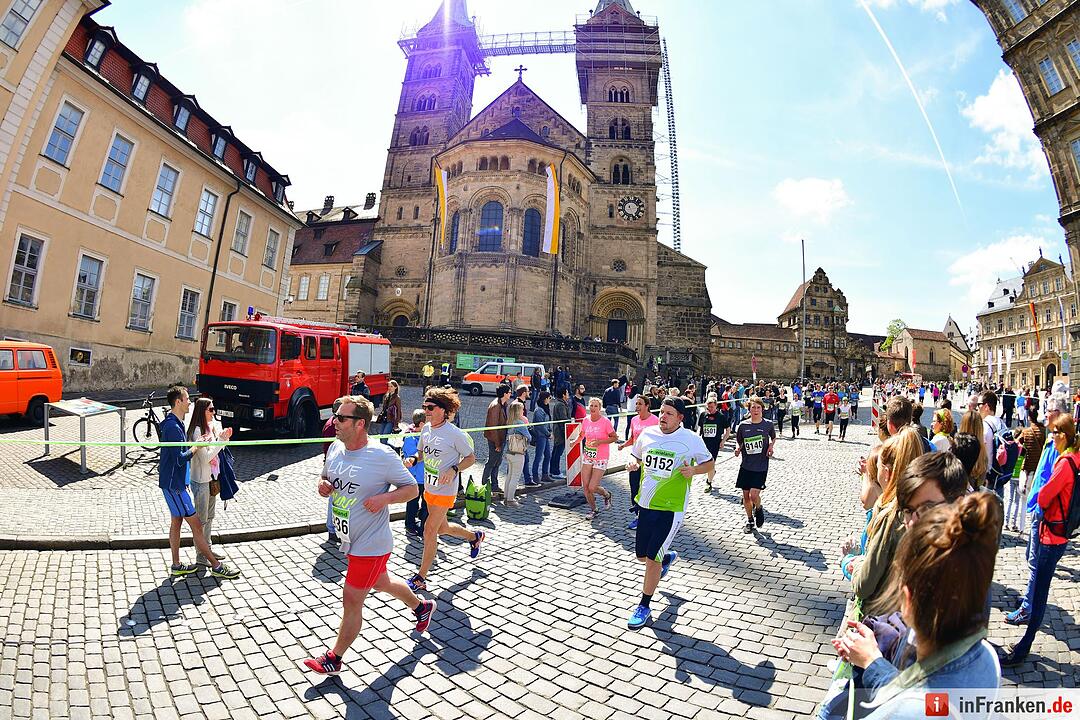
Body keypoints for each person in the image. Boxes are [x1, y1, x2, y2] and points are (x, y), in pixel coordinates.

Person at [830, 493, 1002, 717]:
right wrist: (876, 658)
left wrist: (872, 664)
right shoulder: (987, 658)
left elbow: (916, 702)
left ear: (907, 599)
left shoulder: (901, 712)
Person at [305, 395, 435, 675]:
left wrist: (384, 499)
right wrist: (323, 485)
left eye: (341, 418)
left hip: (372, 542)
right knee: (382, 582)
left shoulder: (381, 455)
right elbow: (324, 476)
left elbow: (412, 489)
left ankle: (334, 658)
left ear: (360, 424)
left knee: (351, 598)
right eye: (334, 415)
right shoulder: (336, 449)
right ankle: (421, 606)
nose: (334, 422)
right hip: (349, 539)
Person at [625, 397, 714, 629]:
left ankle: (644, 605)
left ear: (680, 418)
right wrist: (634, 463)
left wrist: (694, 470)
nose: (663, 417)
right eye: (662, 412)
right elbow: (637, 455)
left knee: (651, 560)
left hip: (671, 508)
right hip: (645, 504)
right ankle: (667, 557)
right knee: (642, 556)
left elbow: (710, 464)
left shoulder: (691, 440)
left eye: (669, 414)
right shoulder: (647, 434)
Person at [1000, 400, 1071, 652]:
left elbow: (1049, 485)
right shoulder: (1055, 442)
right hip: (1043, 514)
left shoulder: (1064, 453)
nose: (1045, 415)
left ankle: (1028, 612)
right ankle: (1029, 604)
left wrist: (1038, 505)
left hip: (1047, 519)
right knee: (1034, 566)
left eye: (1050, 412)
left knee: (1035, 566)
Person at [404, 388, 484, 592]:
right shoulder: (426, 430)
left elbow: (471, 458)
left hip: (446, 489)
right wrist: (414, 459)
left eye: (430, 407)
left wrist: (454, 468)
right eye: (424, 407)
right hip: (430, 487)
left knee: (429, 530)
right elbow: (422, 453)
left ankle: (421, 577)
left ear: (443, 410)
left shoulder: (454, 434)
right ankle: (474, 537)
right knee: (442, 528)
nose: (426, 411)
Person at [158, 385, 239, 579]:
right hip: (175, 487)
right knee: (196, 525)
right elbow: (180, 458)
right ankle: (216, 565)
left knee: (177, 522)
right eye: (186, 399)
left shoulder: (175, 423)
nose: (189, 403)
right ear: (178, 402)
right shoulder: (172, 427)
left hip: (176, 484)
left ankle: (177, 565)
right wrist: (197, 446)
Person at [186, 397, 233, 566]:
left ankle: (208, 549)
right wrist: (221, 442)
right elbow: (206, 457)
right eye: (211, 410)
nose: (214, 412)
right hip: (201, 480)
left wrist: (222, 438)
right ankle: (200, 555)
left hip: (212, 478)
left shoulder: (210, 427)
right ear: (202, 411)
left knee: (210, 517)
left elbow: (216, 452)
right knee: (201, 520)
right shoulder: (197, 431)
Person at [568, 397, 618, 520]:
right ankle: (594, 510)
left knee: (592, 487)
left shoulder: (605, 421)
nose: (593, 408)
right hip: (588, 455)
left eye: (596, 406)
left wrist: (600, 442)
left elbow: (614, 437)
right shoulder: (585, 420)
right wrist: (575, 441)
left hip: (601, 457)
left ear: (600, 408)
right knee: (586, 487)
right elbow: (582, 434)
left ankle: (606, 495)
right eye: (591, 406)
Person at [734, 396, 777, 533]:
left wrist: (770, 446)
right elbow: (739, 441)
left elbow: (773, 437)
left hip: (761, 465)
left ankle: (758, 507)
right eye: (753, 407)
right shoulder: (743, 425)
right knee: (746, 496)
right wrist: (738, 448)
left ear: (762, 410)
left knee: (753, 495)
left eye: (759, 407)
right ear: (749, 409)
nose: (756, 410)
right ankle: (750, 520)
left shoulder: (768, 424)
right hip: (746, 465)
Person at [620, 394, 659, 530]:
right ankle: (638, 516)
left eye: (640, 404)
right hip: (635, 459)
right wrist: (624, 445)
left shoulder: (655, 420)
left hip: (649, 461)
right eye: (636, 404)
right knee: (634, 488)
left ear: (647, 406)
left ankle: (648, 516)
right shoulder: (634, 420)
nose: (637, 406)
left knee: (647, 489)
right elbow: (633, 438)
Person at [1013, 414, 1046, 533]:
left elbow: (1016, 443)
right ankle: (1036, 527)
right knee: (1037, 499)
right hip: (1039, 468)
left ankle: (1022, 528)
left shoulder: (1026, 432)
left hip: (1026, 468)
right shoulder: (1044, 431)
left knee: (1024, 500)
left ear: (1029, 418)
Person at [402, 409, 427, 536]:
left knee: (426, 504)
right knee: (412, 502)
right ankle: (410, 525)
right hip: (416, 477)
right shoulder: (410, 437)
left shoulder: (425, 435)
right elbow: (413, 457)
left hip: (426, 477)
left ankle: (424, 526)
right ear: (422, 424)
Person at [482, 386, 510, 494]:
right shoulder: (495, 406)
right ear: (504, 394)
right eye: (509, 392)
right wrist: (497, 444)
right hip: (495, 439)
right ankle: (484, 485)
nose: (510, 393)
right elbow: (492, 427)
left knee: (497, 462)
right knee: (492, 462)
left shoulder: (503, 404)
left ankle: (494, 485)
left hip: (501, 438)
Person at [503, 401, 531, 507]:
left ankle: (506, 498)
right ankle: (510, 500)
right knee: (515, 477)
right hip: (518, 453)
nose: (523, 411)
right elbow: (529, 437)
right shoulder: (519, 423)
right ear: (518, 411)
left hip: (509, 452)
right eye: (522, 409)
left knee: (509, 476)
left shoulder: (510, 422)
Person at [697, 395, 724, 492]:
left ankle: (709, 482)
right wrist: (697, 439)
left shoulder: (720, 416)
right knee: (705, 463)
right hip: (704, 443)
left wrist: (723, 441)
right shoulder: (703, 415)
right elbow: (700, 427)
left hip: (715, 443)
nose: (710, 409)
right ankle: (711, 473)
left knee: (711, 464)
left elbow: (728, 429)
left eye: (712, 407)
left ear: (716, 406)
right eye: (708, 407)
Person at [530, 391, 553, 484]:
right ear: (545, 399)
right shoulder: (539, 410)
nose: (550, 400)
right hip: (540, 436)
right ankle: (535, 476)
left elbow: (547, 423)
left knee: (548, 455)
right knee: (538, 456)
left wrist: (549, 432)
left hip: (545, 436)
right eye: (549, 398)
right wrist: (548, 433)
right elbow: (540, 425)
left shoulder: (545, 409)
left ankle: (545, 474)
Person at [549, 386, 570, 480]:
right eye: (567, 393)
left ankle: (552, 470)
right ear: (563, 395)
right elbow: (563, 420)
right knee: (558, 452)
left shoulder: (561, 403)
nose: (568, 394)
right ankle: (555, 471)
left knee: (556, 452)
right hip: (561, 433)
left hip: (559, 431)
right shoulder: (561, 405)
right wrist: (566, 432)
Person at [374, 380, 402, 446]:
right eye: (389, 386)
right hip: (384, 418)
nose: (389, 388)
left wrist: (396, 423)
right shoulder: (386, 396)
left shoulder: (397, 398)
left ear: (395, 387)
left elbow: (398, 411)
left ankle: (394, 449)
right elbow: (384, 408)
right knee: (381, 438)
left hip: (391, 420)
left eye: (391, 386)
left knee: (384, 440)